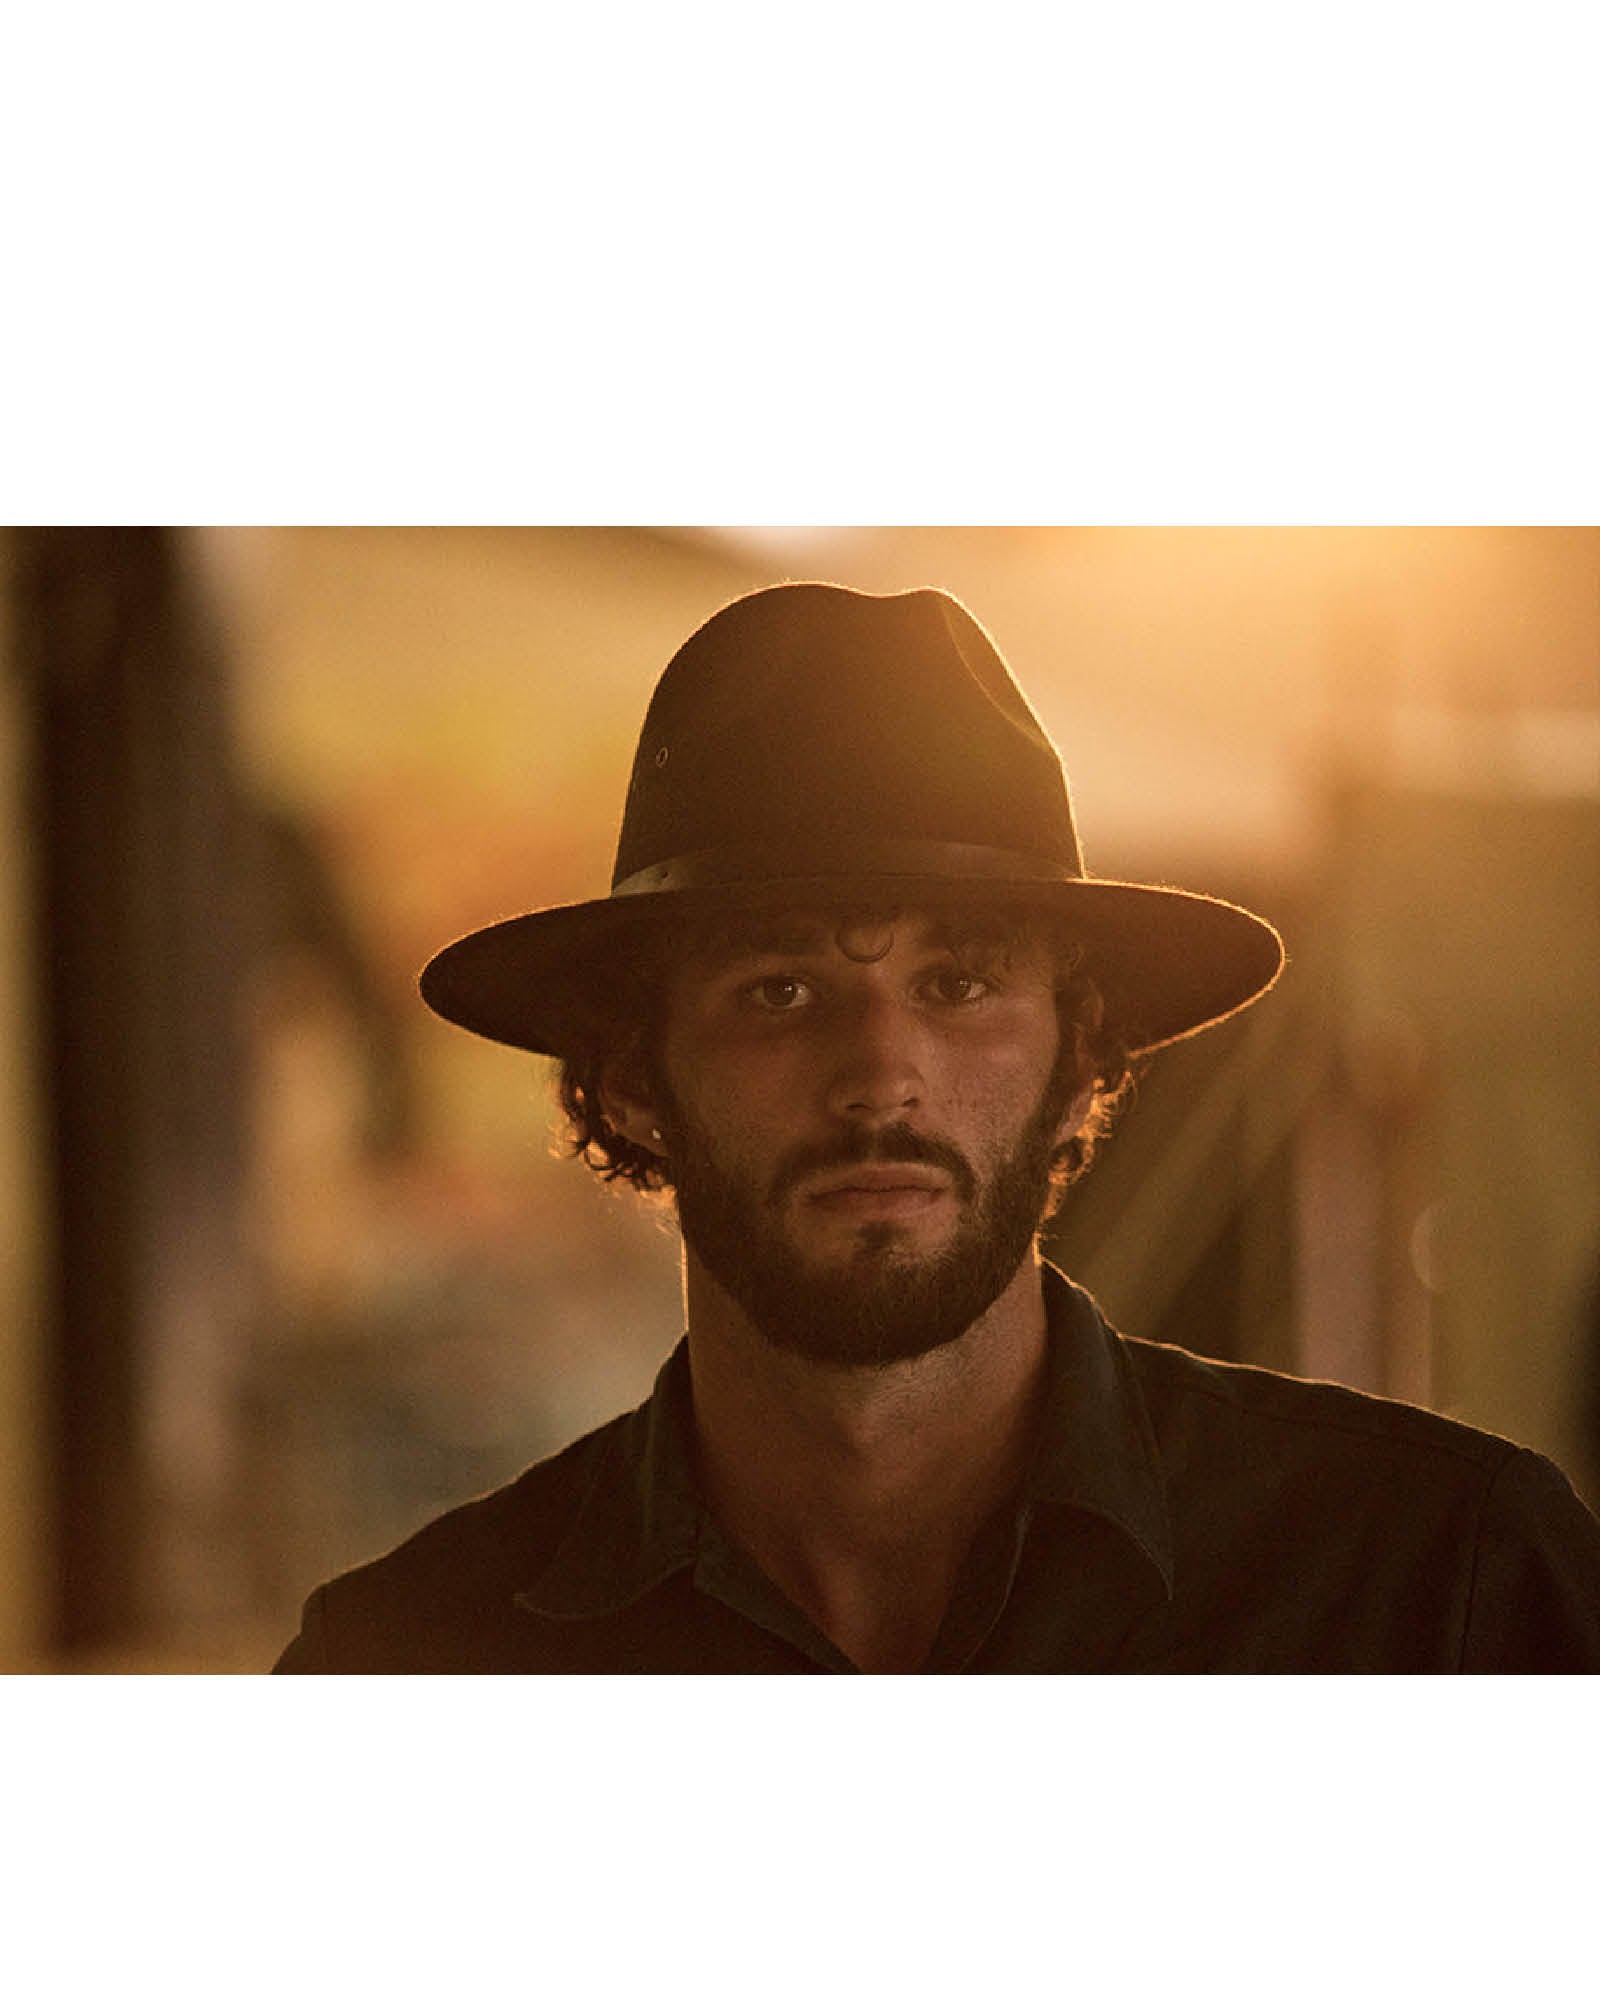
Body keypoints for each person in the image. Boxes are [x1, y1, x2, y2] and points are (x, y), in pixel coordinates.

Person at [274, 582, 1600, 1673]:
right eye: (779, 991)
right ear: (631, 1081)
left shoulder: (1434, 1588)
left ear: (1081, 1063)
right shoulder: (412, 1664)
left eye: (958, 984)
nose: (881, 1078)